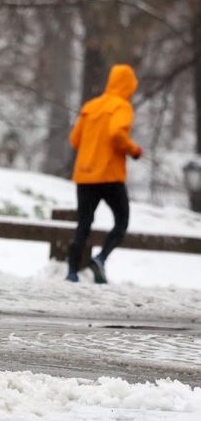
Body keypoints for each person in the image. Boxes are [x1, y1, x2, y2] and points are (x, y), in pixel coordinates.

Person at [65, 64, 142, 284]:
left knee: (84, 223)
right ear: (128, 86)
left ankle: (71, 272)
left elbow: (74, 140)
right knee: (122, 220)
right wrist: (134, 150)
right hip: (109, 175)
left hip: (86, 175)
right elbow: (116, 134)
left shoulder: (91, 106)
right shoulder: (122, 107)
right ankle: (100, 258)